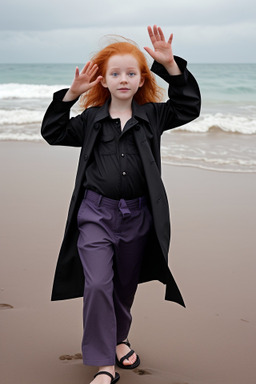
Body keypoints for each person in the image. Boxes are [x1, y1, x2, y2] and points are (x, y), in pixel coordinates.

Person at [41, 25, 201, 384]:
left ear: (142, 78)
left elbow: (188, 106)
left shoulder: (153, 116)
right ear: (104, 80)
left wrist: (171, 66)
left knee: (124, 286)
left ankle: (118, 338)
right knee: (97, 284)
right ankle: (104, 364)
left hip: (139, 215)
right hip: (95, 214)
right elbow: (53, 132)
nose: (123, 79)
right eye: (116, 73)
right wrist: (70, 95)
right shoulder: (90, 121)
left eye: (131, 73)